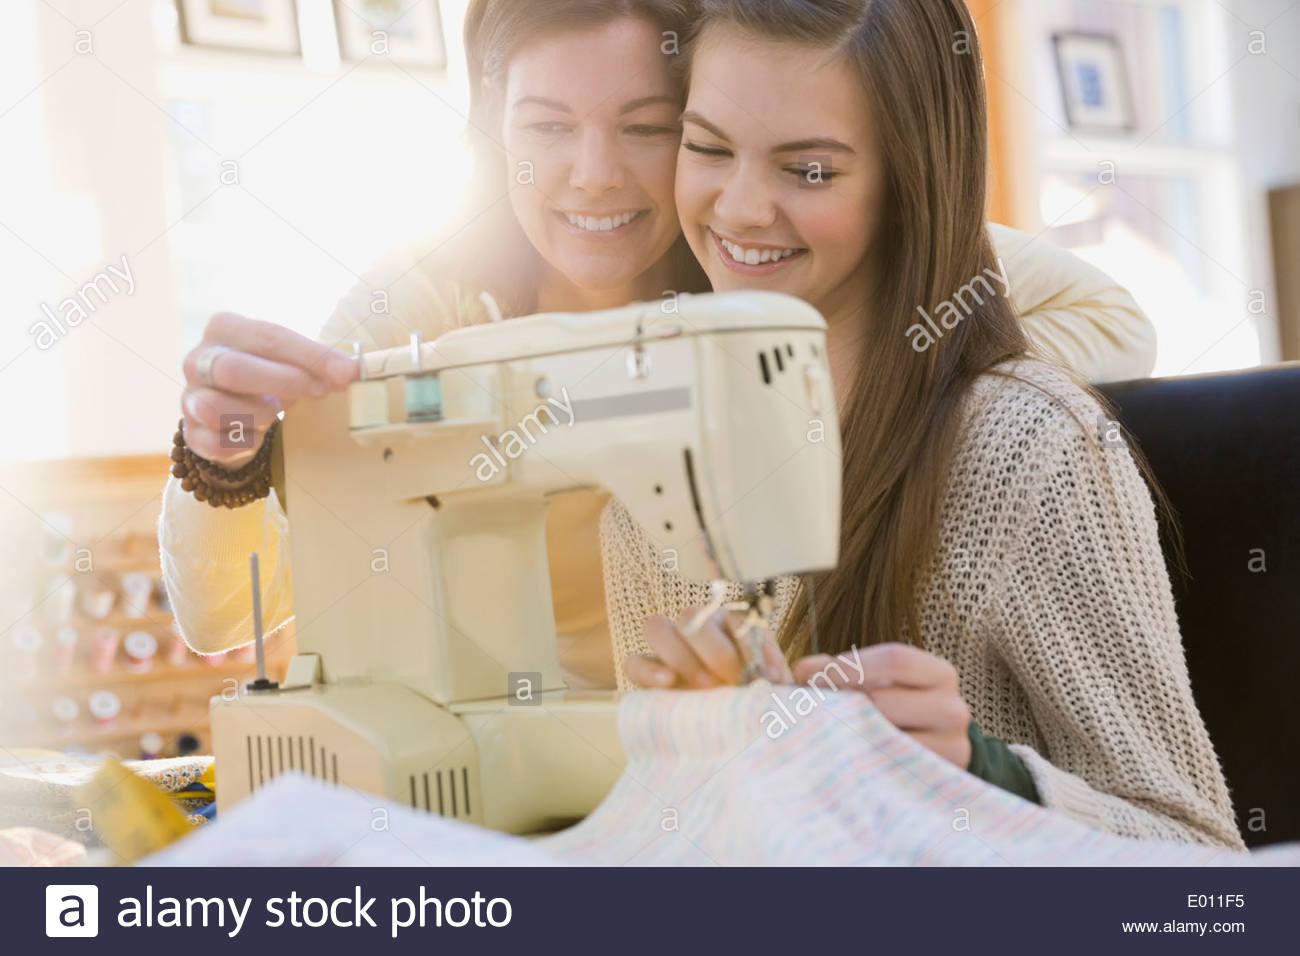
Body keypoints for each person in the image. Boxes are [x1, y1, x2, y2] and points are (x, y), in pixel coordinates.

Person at [160, 0, 1156, 694]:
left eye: (648, 128)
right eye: (546, 126)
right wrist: (225, 456)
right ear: (490, 128)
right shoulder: (424, 293)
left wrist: (826, 396)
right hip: (512, 746)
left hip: (711, 732)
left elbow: (1115, 322)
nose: (593, 177)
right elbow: (219, 621)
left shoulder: (755, 254)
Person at [609, 0, 1244, 850]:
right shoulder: (649, 502)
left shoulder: (1032, 453)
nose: (741, 207)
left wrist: (986, 776)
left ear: (910, 180)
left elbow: (1208, 880)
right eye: (709, 148)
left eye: (809, 171)